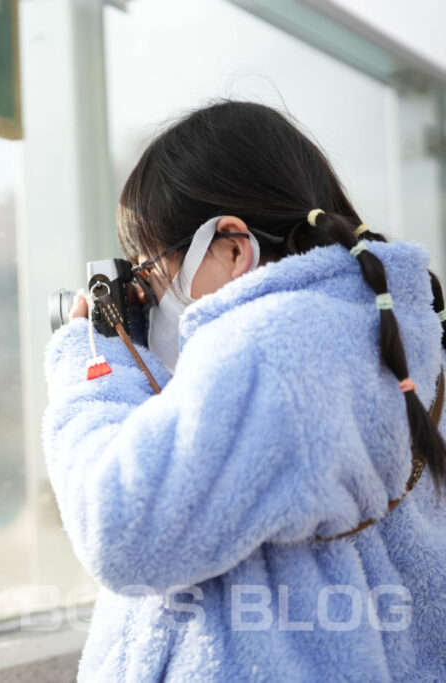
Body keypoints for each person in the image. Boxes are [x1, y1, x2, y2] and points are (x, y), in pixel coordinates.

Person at [43, 100, 446, 681]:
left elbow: (120, 529)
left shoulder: (276, 349)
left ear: (231, 248)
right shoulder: (378, 338)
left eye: (151, 274)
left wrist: (94, 364)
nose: (151, 301)